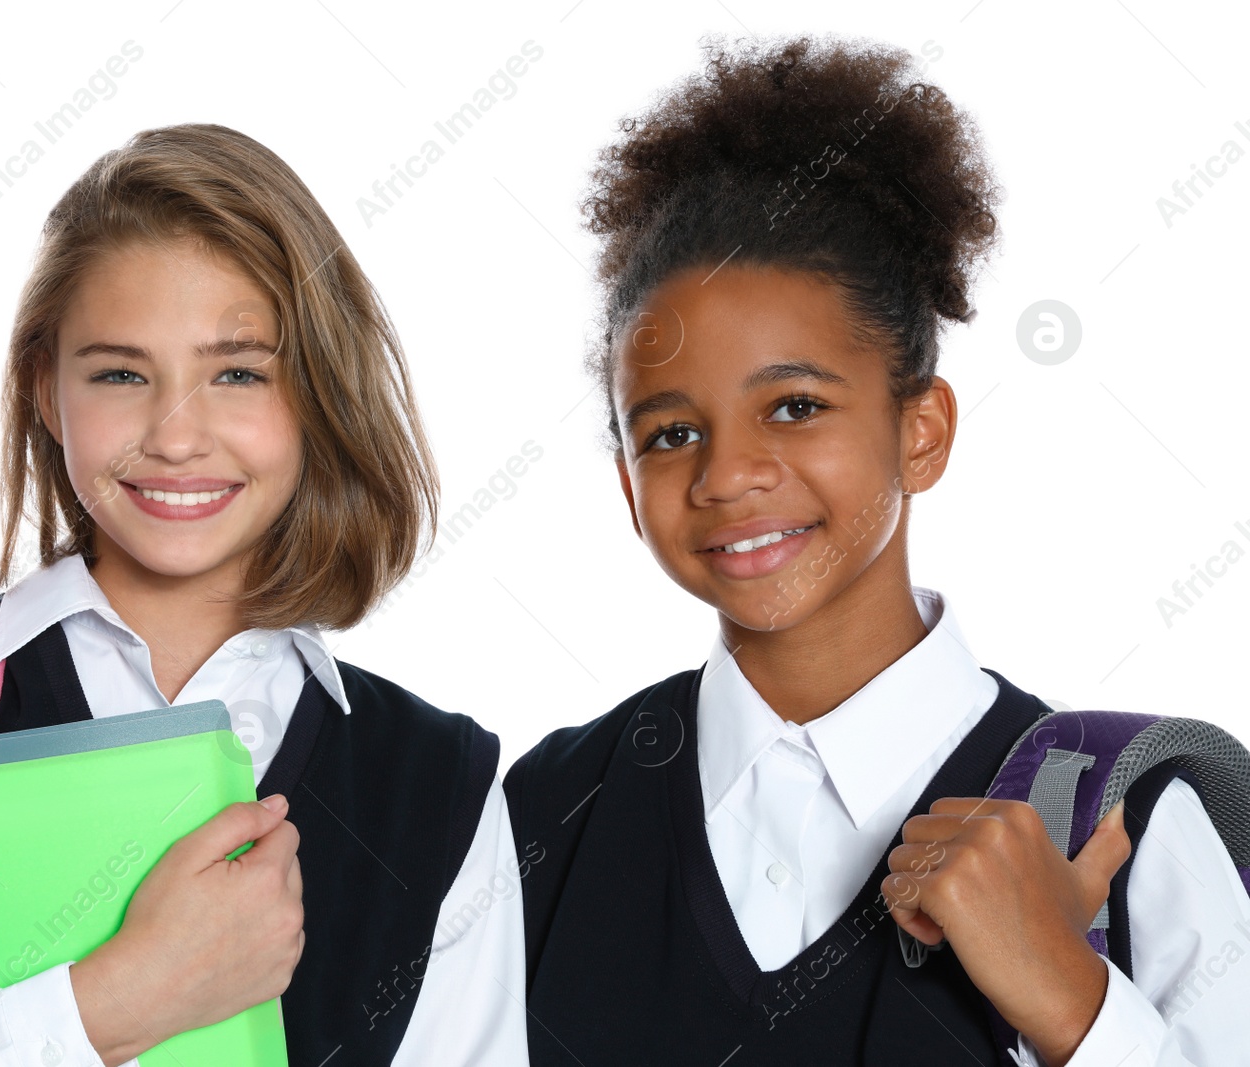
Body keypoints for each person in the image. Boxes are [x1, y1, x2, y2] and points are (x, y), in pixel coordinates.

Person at [0, 123, 527, 1067]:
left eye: (237, 372)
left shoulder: (437, 784)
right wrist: (106, 1005)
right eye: (121, 373)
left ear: (317, 396)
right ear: (47, 391)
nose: (175, 435)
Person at [505, 34, 1250, 1067]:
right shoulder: (542, 817)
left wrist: (1073, 1002)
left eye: (795, 405)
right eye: (672, 432)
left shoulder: (1114, 821)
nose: (728, 474)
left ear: (921, 430)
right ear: (630, 487)